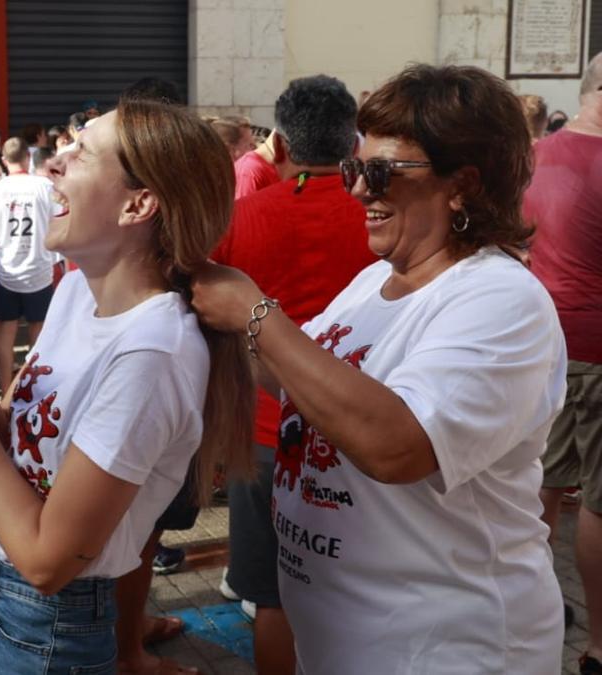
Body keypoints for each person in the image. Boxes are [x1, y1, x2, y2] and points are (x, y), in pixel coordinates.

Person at [191, 63, 566, 674]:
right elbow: (291, 374)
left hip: (445, 651)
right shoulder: (375, 281)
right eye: (356, 167)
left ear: (463, 184)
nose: (359, 190)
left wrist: (256, 314)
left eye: (383, 172)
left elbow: (398, 447)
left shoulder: (501, 300)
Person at [0, 96, 255, 674]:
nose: (53, 165)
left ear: (139, 204)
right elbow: (21, 455)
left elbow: (49, 560)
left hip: (46, 622)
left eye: (81, 153)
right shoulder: (73, 293)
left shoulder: (152, 350)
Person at [210, 74, 377, 675]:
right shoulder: (381, 220)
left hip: (263, 431)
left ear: (278, 145)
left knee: (273, 595)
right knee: (358, 587)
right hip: (361, 425)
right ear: (353, 144)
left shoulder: (239, 217)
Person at [526, 51, 602, 675]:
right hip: (597, 352)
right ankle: (600, 648)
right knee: (600, 501)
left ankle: (532, 608)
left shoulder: (531, 154)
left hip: (544, 346)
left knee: (543, 485)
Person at [0, 137, 58, 394]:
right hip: (39, 269)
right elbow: (59, 219)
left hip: (7, 271)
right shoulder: (44, 186)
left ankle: (5, 388)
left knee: (7, 330)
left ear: (4, 161)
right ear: (28, 157)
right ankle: (35, 388)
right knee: (38, 330)